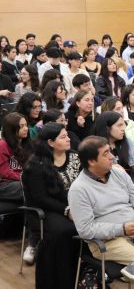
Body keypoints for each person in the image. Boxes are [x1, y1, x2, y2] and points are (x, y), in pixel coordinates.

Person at [68, 135, 134, 288]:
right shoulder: (78, 189)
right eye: (105, 153)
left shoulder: (118, 174)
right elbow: (86, 230)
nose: (112, 157)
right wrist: (121, 229)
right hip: (108, 242)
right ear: (91, 162)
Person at [22, 122, 80, 289]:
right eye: (63, 137)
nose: (68, 139)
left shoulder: (75, 157)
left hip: (75, 205)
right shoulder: (36, 165)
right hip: (46, 210)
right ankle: (58, 281)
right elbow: (40, 198)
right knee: (65, 230)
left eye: (67, 135)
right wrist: (66, 210)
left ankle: (87, 275)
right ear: (50, 142)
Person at [92, 111, 134, 175]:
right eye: (119, 125)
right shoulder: (95, 147)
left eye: (124, 124)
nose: (124, 128)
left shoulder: (127, 142)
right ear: (107, 128)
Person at [0, 112, 31, 202]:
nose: (26, 129)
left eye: (26, 125)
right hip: (5, 184)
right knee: (33, 188)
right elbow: (5, 173)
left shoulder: (26, 144)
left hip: (20, 181)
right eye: (21, 126)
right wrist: (26, 178)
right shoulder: (2, 145)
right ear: (11, 129)